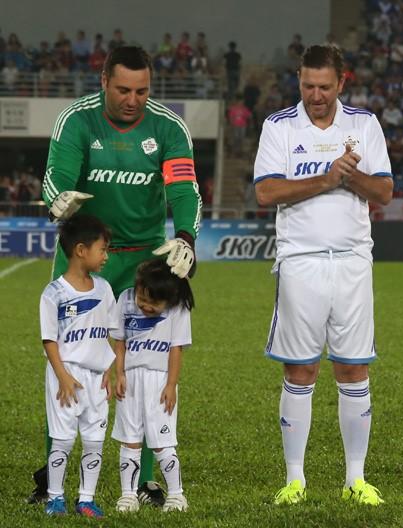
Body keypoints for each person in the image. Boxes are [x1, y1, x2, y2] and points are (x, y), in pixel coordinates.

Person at [31, 45, 202, 506]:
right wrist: (60, 197)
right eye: (123, 89)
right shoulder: (77, 121)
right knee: (68, 362)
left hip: (145, 262)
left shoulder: (167, 126)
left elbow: (185, 189)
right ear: (104, 81)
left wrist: (185, 236)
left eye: (142, 91)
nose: (133, 99)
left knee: (144, 366)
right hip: (84, 259)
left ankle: (142, 481)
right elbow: (57, 175)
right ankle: (53, 479)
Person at [254, 45, 393, 506]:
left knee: (354, 368)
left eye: (324, 87)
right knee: (301, 369)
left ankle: (356, 477)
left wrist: (349, 179)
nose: (315, 95)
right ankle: (295, 479)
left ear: (341, 83)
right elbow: (266, 190)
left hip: (353, 260)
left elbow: (385, 191)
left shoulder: (364, 125)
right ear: (299, 80)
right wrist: (327, 179)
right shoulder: (279, 126)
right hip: (301, 261)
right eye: (308, 85)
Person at [40, 215, 118, 517]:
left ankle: (86, 499)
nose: (106, 256)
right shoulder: (54, 293)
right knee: (63, 439)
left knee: (94, 441)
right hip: (66, 374)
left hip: (97, 379)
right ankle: (55, 498)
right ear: (81, 250)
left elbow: (110, 334)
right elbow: (49, 340)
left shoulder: (104, 289)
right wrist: (62, 376)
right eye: (103, 249)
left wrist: (109, 372)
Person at [112, 259, 194, 513]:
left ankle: (177, 496)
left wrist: (171, 385)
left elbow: (176, 349)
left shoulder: (178, 307)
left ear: (168, 300)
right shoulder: (125, 300)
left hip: (159, 382)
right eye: (142, 299)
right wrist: (120, 374)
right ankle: (128, 496)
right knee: (130, 440)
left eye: (153, 304)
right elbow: (120, 342)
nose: (145, 306)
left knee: (162, 441)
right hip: (131, 381)